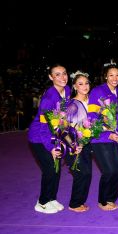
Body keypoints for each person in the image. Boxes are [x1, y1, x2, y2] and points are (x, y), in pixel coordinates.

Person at [28, 63, 71, 214]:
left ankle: (52, 198)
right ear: (51, 77)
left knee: (57, 170)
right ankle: (42, 202)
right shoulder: (48, 98)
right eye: (57, 74)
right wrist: (51, 147)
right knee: (50, 169)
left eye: (64, 73)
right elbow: (43, 127)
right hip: (39, 137)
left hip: (55, 134)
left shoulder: (67, 90)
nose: (62, 77)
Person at [87, 63, 118, 211]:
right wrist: (107, 133)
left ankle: (111, 198)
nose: (115, 78)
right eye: (111, 75)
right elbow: (91, 116)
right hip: (101, 138)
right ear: (105, 76)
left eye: (117, 75)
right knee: (109, 171)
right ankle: (103, 201)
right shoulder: (97, 91)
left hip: (117, 139)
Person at [66, 71, 92, 212]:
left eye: (87, 83)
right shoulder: (73, 105)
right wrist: (73, 145)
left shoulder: (92, 101)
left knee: (87, 173)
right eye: (80, 84)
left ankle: (80, 201)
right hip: (74, 144)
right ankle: (74, 204)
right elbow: (65, 128)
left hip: (86, 143)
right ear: (75, 86)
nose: (84, 86)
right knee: (81, 173)